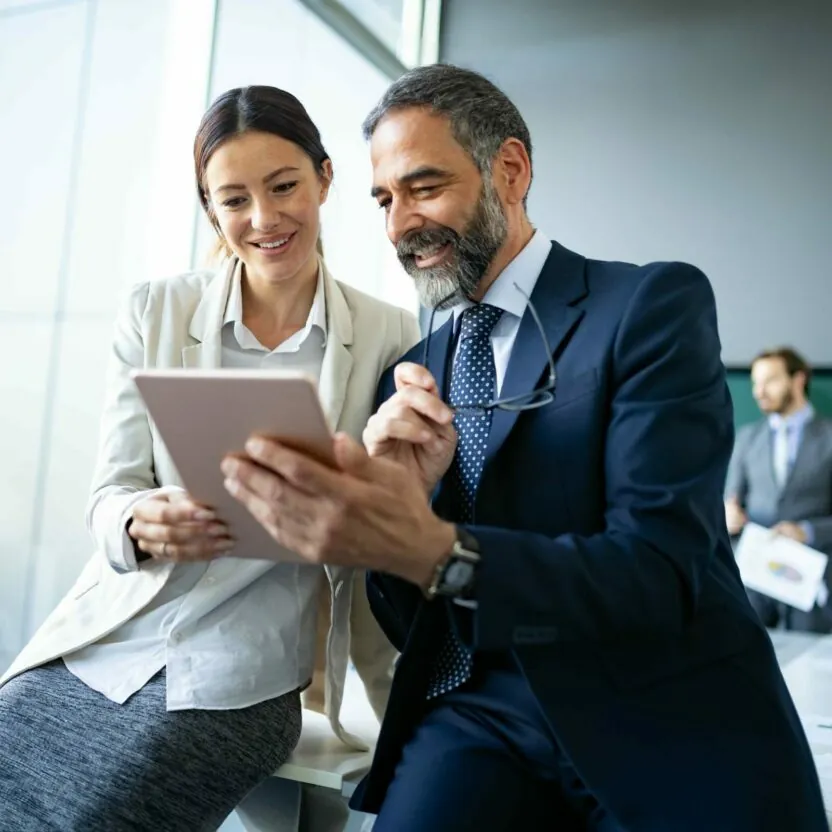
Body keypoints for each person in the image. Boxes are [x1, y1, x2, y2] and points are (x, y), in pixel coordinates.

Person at [219, 65, 827, 831]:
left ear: (509, 169)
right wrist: (395, 519)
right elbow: (418, 621)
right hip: (477, 716)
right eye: (384, 200)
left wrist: (441, 549)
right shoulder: (415, 368)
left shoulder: (647, 307)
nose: (401, 224)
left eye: (425, 187)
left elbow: (661, 571)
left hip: (658, 713)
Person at [0, 85, 419, 831]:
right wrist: (137, 522)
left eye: (284, 186)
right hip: (108, 644)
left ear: (325, 178)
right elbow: (111, 489)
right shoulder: (156, 311)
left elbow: (390, 525)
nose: (263, 220)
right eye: (233, 200)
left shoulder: (390, 334)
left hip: (240, 678)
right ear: (210, 209)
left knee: (99, 815)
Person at [725, 346, 832, 632]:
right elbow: (730, 503)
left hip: (813, 585)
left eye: (770, 381)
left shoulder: (829, 438)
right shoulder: (746, 439)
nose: (759, 392)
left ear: (798, 379)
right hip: (755, 586)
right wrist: (728, 516)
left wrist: (806, 531)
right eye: (755, 383)